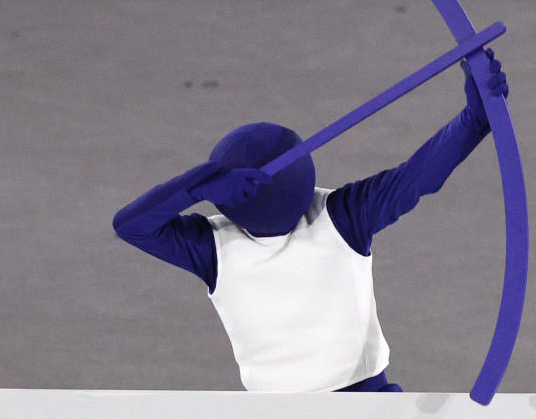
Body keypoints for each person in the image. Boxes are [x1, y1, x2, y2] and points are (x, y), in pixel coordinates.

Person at [112, 50, 508, 393]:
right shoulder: (214, 245)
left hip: (365, 400)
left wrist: (476, 119)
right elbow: (130, 225)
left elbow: (417, 177)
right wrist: (198, 185)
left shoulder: (340, 216)